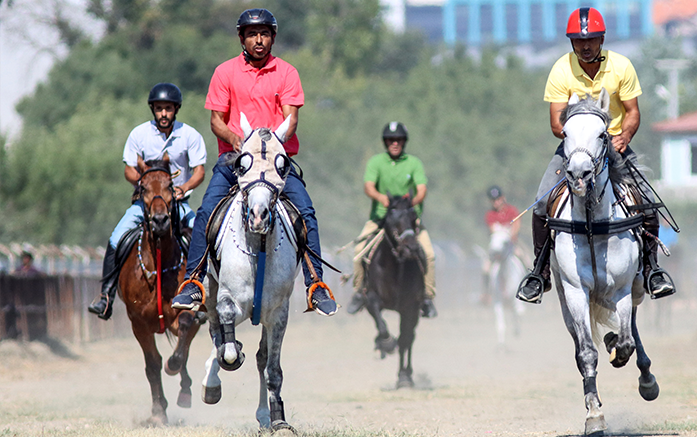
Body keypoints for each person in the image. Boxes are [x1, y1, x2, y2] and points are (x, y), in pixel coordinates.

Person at [171, 8, 337, 316]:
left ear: (273, 37)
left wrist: (270, 145)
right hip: (235, 160)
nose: (258, 40)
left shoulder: (287, 72)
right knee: (206, 212)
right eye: (251, 34)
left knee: (306, 213)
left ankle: (316, 285)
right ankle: (193, 282)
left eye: (264, 34)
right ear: (241, 38)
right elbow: (216, 121)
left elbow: (292, 119)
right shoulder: (225, 72)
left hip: (275, 162)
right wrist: (236, 139)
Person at [516, 7, 675, 304]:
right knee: (540, 205)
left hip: (614, 145)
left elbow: (632, 113)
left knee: (648, 204)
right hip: (575, 148)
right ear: (571, 42)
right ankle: (540, 273)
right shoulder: (561, 69)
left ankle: (652, 270)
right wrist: (581, 144)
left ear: (601, 39)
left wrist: (623, 137)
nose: (585, 46)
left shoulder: (622, 66)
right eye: (578, 41)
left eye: (590, 40)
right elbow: (555, 123)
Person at [87, 83, 207, 320]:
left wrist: (184, 187)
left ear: (176, 110)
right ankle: (106, 296)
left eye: (169, 109)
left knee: (202, 237)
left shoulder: (189, 135)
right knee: (116, 238)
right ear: (153, 109)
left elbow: (199, 171)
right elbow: (129, 170)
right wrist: (144, 184)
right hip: (144, 205)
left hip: (178, 205)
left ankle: (204, 295)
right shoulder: (138, 134)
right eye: (160, 108)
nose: (164, 113)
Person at [345, 122, 437, 317]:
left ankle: (427, 297)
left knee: (428, 254)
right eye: (390, 140)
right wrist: (381, 198)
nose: (395, 143)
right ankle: (359, 292)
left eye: (399, 140)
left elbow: (422, 189)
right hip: (380, 221)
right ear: (385, 142)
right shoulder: (376, 162)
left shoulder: (414, 163)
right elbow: (369, 186)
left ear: (404, 142)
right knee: (358, 253)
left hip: (410, 223)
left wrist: (411, 203)